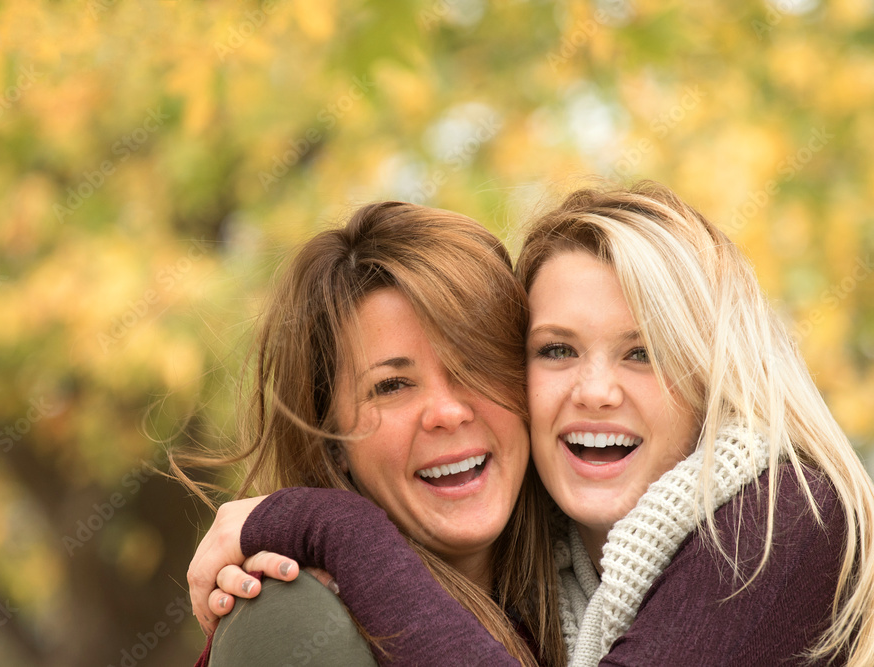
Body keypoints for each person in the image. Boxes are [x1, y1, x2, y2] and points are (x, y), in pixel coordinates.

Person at [193, 182, 874, 666]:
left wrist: (334, 526)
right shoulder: (297, 611)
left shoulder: (782, 521)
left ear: (712, 377)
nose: (596, 389)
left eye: (645, 351)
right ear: (328, 432)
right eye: (556, 349)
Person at [172, 201, 565, 666]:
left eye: (474, 365)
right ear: (330, 439)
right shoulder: (293, 617)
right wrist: (340, 528)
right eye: (391, 386)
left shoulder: (583, 595)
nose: (447, 412)